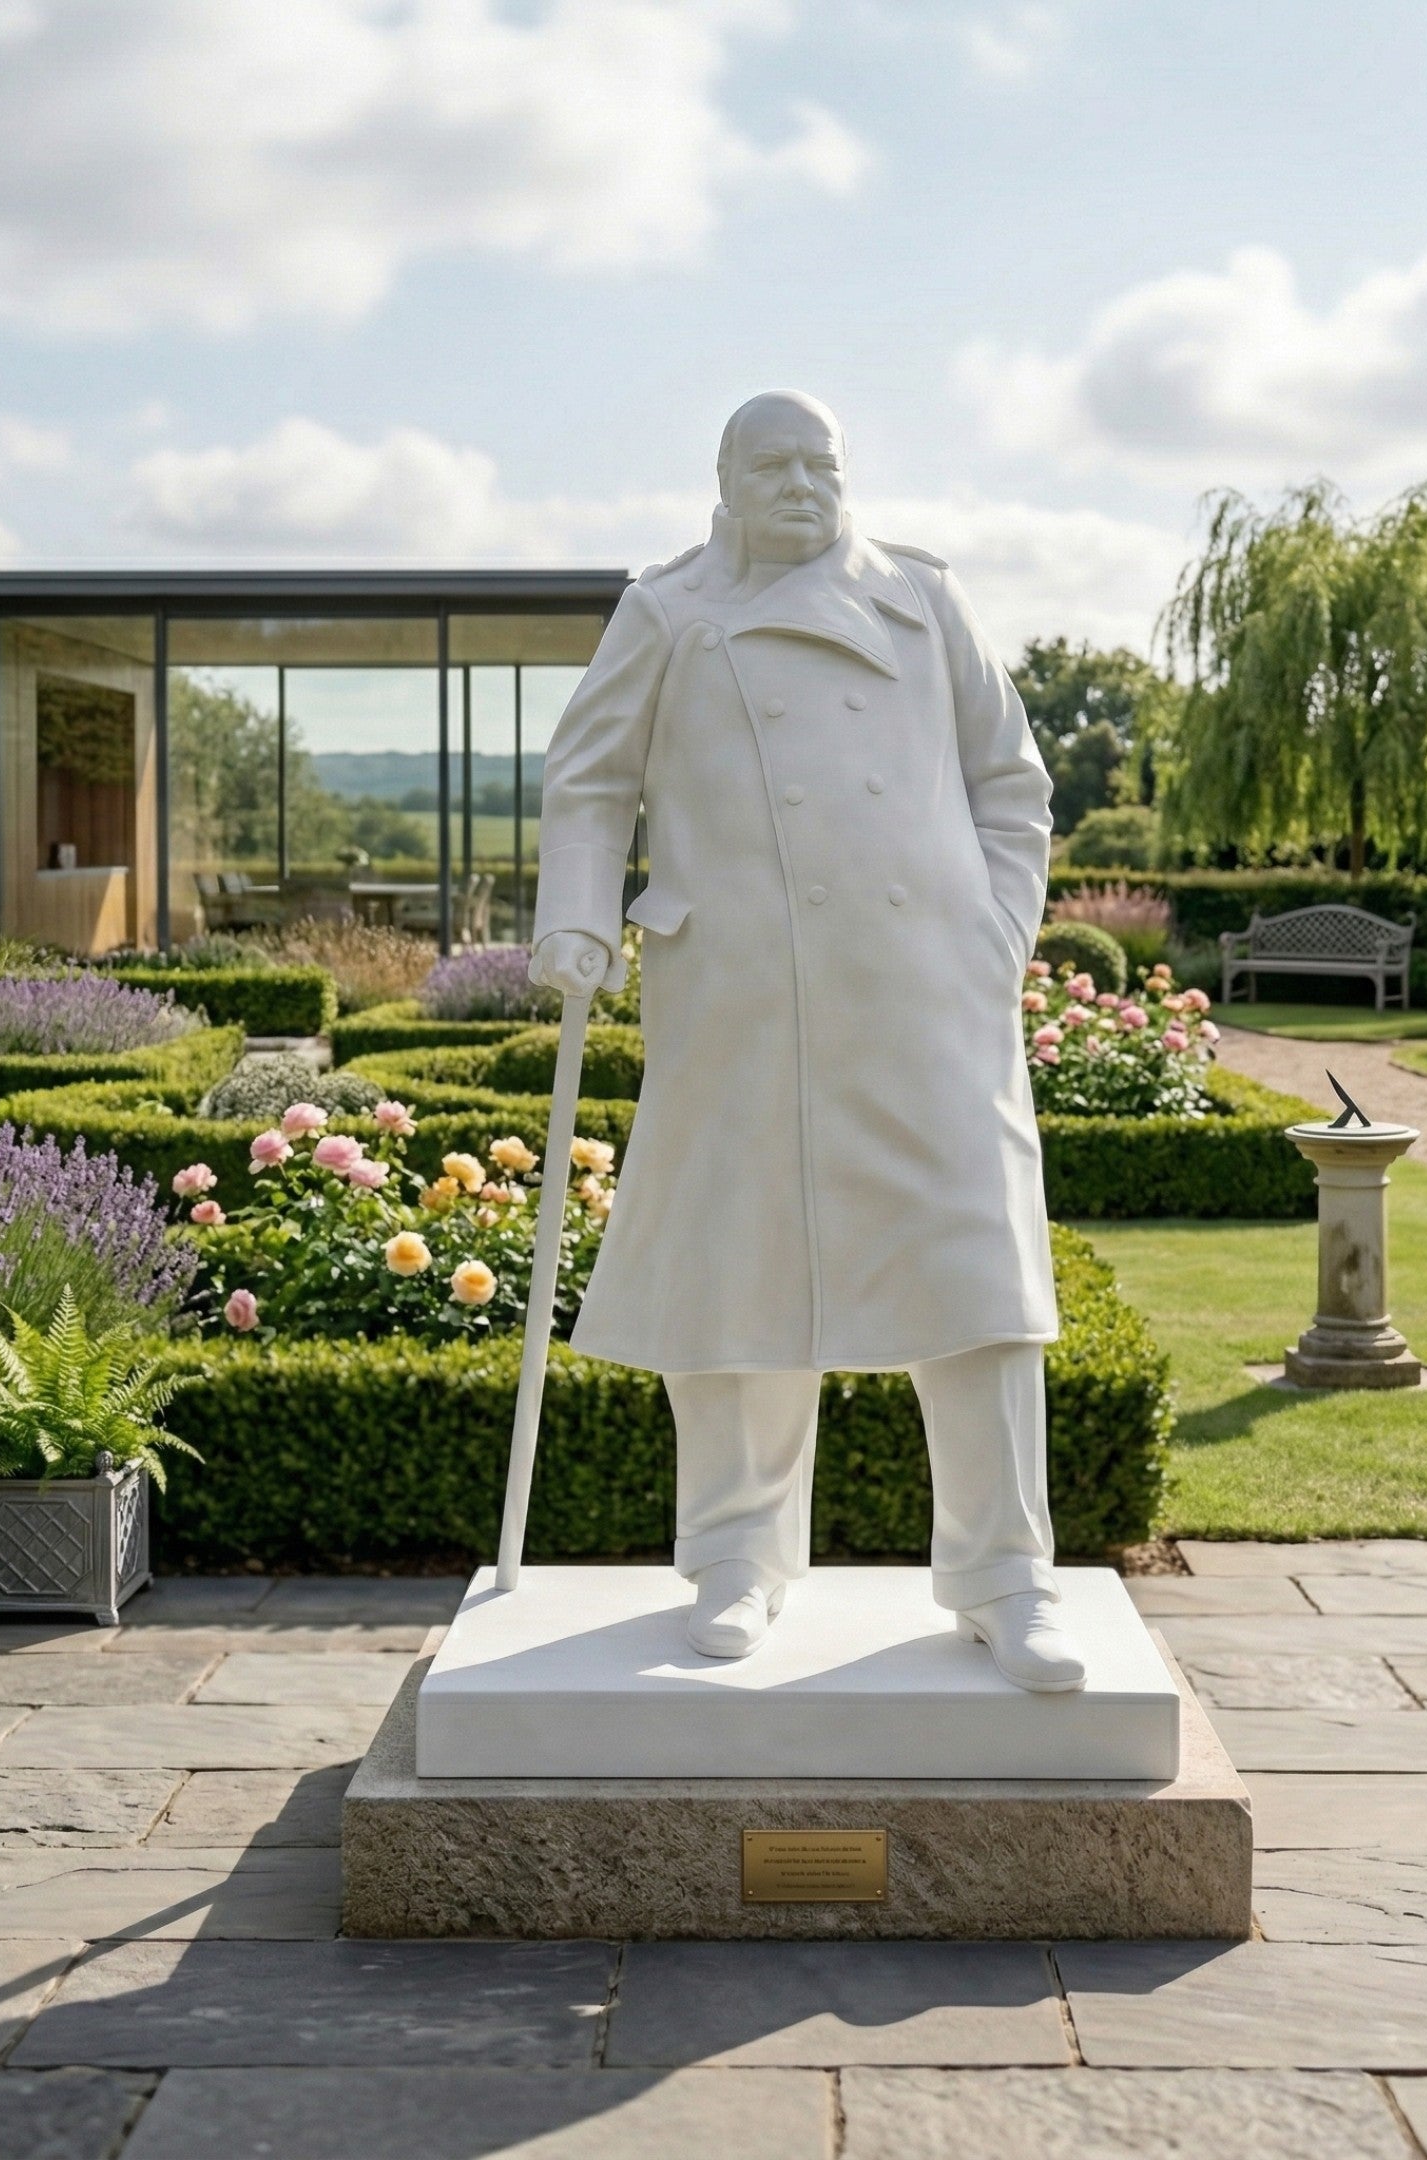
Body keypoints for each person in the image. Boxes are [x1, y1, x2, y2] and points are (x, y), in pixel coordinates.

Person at [529, 390, 1081, 1692]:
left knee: (982, 1281)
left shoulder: (925, 602)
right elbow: (590, 782)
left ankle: (1009, 1577)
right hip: (740, 997)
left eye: (820, 462)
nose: (800, 483)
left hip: (926, 995)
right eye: (771, 463)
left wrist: (990, 937)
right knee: (739, 1274)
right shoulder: (668, 611)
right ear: (721, 479)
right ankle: (737, 1561)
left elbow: (1012, 789)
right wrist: (573, 921)